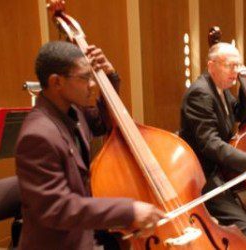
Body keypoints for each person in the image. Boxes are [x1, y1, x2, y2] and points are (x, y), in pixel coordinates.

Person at [15, 41, 164, 250]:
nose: (92, 84)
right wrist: (128, 210)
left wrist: (110, 77)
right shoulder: (37, 136)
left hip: (83, 237)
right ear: (56, 82)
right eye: (85, 78)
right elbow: (58, 208)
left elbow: (105, 123)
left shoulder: (73, 111)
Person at [179, 42, 246, 246]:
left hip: (221, 171)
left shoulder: (221, 89)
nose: (235, 70)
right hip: (202, 176)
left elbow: (238, 113)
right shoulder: (200, 94)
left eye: (238, 65)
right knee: (243, 225)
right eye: (230, 65)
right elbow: (211, 144)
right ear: (211, 66)